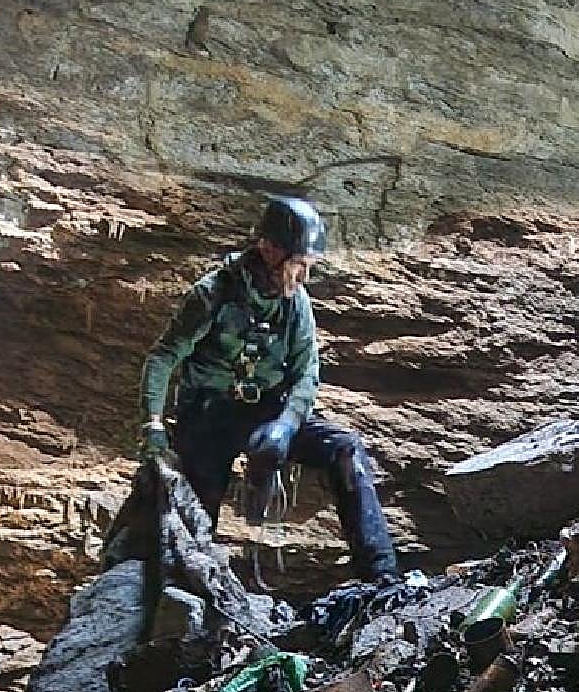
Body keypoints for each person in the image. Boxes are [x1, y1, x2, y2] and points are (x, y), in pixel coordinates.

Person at [137, 195, 399, 582]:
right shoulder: (213, 294)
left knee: (345, 450)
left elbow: (307, 373)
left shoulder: (296, 305)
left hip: (267, 414)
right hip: (210, 417)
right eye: (298, 265)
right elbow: (163, 357)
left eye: (308, 266)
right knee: (196, 507)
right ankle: (189, 588)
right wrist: (153, 424)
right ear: (270, 250)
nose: (303, 276)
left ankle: (382, 576)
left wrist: (288, 424)